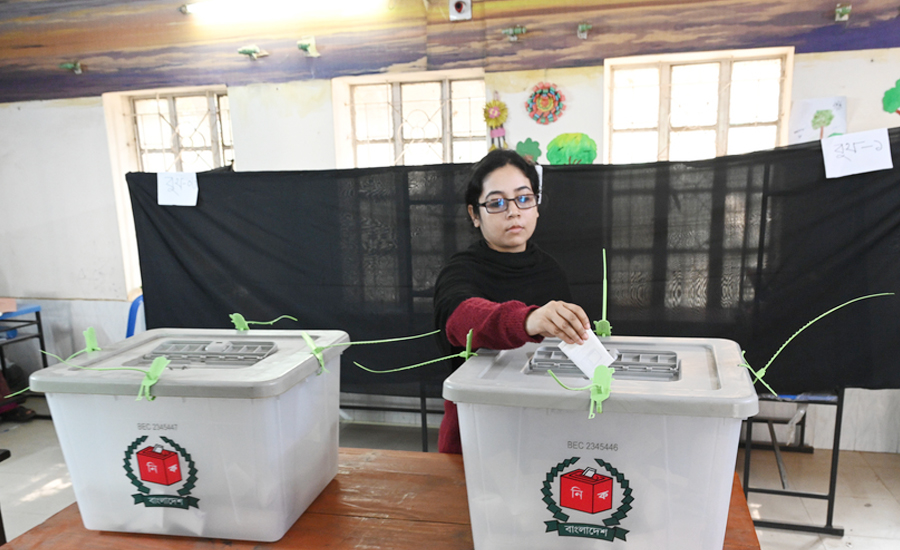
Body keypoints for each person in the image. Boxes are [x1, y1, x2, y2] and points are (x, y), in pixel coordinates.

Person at [432, 149, 591, 454]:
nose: (514, 211)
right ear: (474, 215)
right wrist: (528, 321)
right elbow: (460, 317)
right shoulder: (461, 269)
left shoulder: (550, 270)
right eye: (496, 203)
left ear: (536, 205)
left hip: (544, 427)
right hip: (477, 431)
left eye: (523, 198)